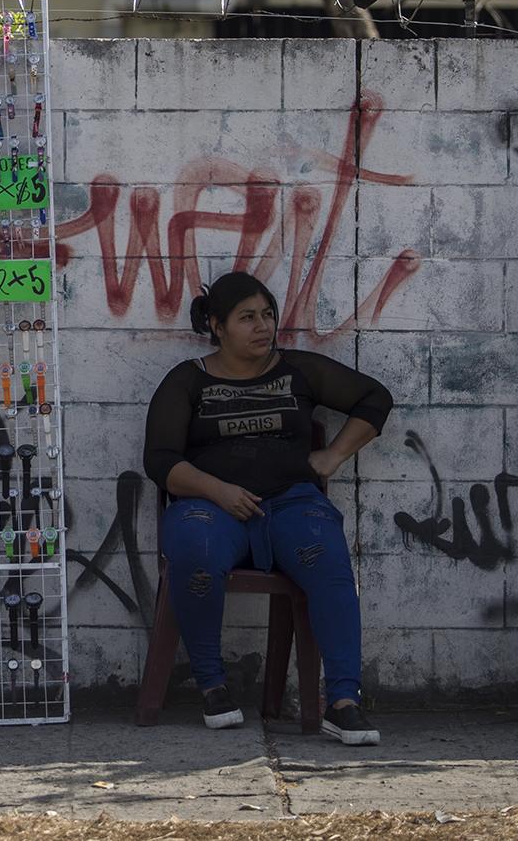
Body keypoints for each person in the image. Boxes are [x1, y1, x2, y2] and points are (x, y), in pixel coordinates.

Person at [141, 271, 393, 746]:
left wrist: (332, 456)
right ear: (217, 326)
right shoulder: (186, 380)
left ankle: (342, 702)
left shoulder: (297, 370)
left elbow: (374, 398)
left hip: (292, 504)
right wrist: (217, 490)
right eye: (247, 318)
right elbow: (160, 461)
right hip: (211, 509)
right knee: (194, 553)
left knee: (332, 563)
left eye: (268, 315)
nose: (262, 326)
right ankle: (213, 686)